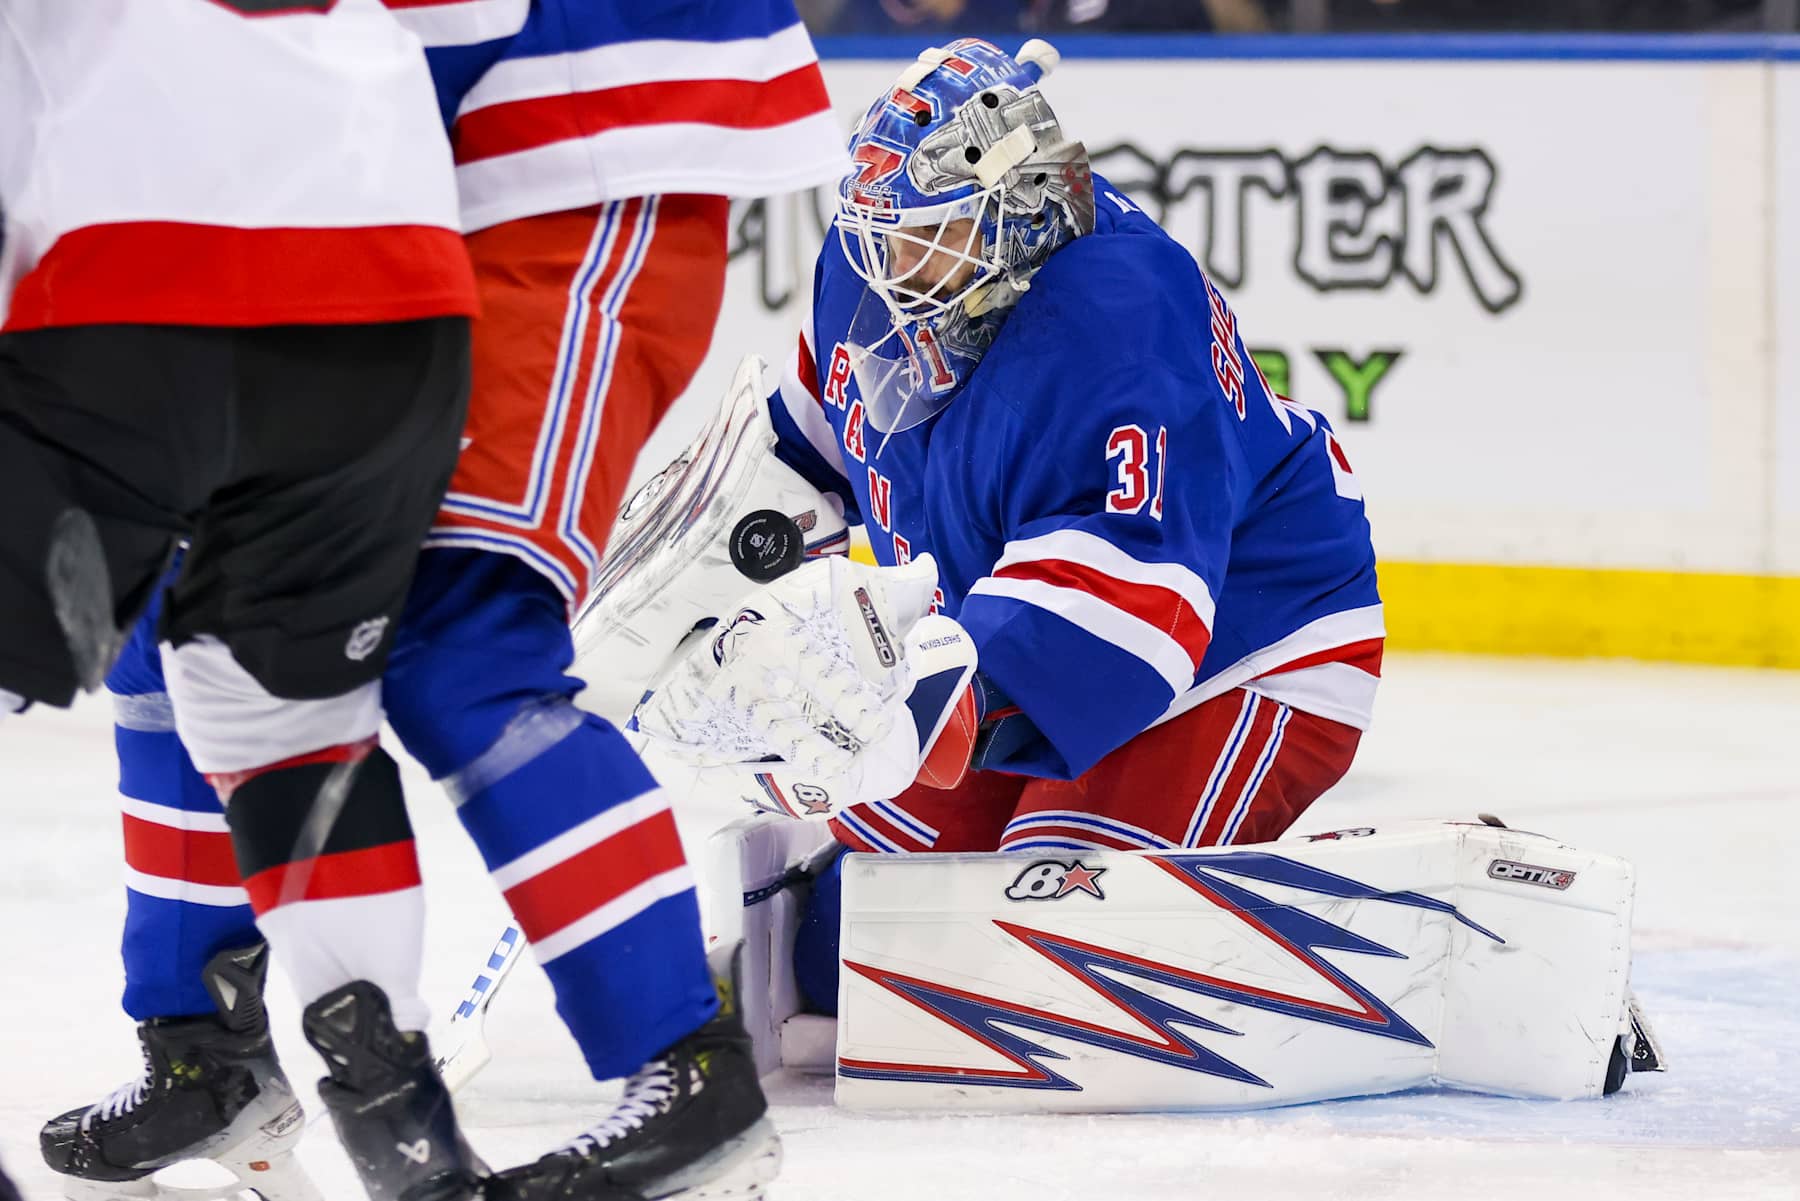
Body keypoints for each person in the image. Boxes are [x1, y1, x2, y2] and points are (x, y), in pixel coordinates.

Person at [33, 3, 847, 1200]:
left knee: (458, 633)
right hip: (357, 177)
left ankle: (690, 1071)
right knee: (173, 615)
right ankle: (201, 1048)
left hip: (573, 127)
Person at [628, 37, 1382, 929]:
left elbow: (1140, 592)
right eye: (882, 236)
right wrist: (709, 603)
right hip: (1002, 639)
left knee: (1047, 921)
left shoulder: (1121, 318)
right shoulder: (881, 274)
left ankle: (1366, 920)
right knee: (857, 925)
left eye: (923, 240)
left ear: (1019, 213)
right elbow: (805, 454)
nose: (887, 271)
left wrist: (934, 710)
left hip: (1248, 639)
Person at [1, 1, 478, 1197]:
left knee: (188, 683)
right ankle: (374, 1128)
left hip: (131, 297)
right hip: (389, 291)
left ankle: (208, 1054)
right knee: (251, 701)